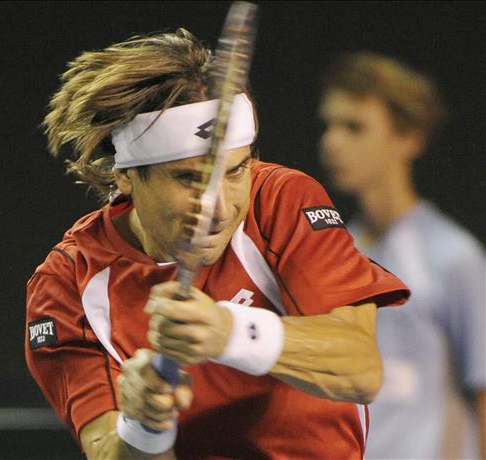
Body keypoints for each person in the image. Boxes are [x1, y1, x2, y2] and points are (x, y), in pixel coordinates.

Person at [25, 28, 409, 459]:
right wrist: (142, 423)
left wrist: (227, 332)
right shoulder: (67, 283)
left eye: (236, 171)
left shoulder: (280, 199)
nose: (220, 208)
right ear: (126, 176)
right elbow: (107, 449)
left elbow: (361, 370)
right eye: (188, 178)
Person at [318, 51, 486, 459]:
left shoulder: (455, 256)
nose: (332, 141)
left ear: (408, 137)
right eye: (330, 125)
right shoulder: (333, 254)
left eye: (354, 127)